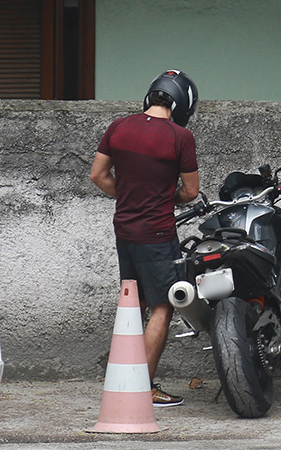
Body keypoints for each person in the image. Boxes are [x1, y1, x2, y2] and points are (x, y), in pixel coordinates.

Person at [90, 69, 200, 407]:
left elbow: (98, 174)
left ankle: (123, 378)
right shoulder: (180, 136)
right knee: (162, 306)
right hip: (157, 233)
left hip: (124, 228)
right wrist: (167, 198)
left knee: (131, 304)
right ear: (182, 104)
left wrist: (126, 195)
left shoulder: (119, 127)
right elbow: (191, 192)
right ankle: (144, 386)